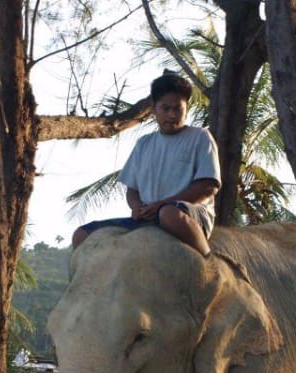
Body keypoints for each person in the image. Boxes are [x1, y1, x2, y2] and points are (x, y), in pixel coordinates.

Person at [71, 72, 221, 257]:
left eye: (178, 108)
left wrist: (162, 204)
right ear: (154, 109)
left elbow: (208, 186)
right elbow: (132, 189)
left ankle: (208, 259)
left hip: (188, 214)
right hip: (149, 217)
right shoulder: (144, 143)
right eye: (165, 108)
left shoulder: (200, 137)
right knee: (82, 235)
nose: (172, 114)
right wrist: (136, 208)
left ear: (186, 108)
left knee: (168, 214)